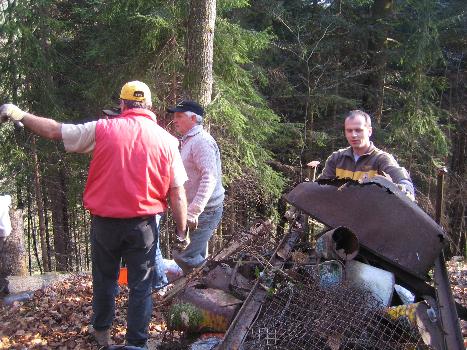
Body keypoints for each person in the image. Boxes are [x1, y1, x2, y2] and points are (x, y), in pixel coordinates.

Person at [0, 81, 188, 349]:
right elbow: (177, 192)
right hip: (144, 227)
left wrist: (19, 114)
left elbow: (55, 131)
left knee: (105, 279)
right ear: (149, 107)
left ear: (122, 105)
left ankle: (102, 331)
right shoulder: (167, 141)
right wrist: (182, 232)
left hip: (105, 225)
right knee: (141, 286)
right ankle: (136, 343)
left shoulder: (102, 129)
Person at [167, 100, 225, 273]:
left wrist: (194, 211)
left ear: (193, 119)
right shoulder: (189, 140)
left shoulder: (201, 141)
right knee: (198, 254)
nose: (174, 120)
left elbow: (210, 177)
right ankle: (196, 293)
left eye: (179, 116)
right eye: (174, 116)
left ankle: (219, 278)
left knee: (186, 256)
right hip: (199, 210)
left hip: (206, 210)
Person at [317, 110, 415, 198]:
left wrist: (398, 189)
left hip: (371, 216)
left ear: (369, 131)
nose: (353, 135)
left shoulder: (381, 159)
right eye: (349, 130)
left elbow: (406, 185)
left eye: (358, 130)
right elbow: (320, 187)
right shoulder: (337, 158)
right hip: (338, 216)